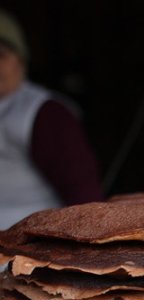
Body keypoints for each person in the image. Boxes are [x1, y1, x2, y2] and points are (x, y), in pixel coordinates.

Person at [0, 9, 103, 230]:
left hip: (27, 250)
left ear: (20, 60)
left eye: (1, 55)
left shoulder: (46, 114)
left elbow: (85, 198)